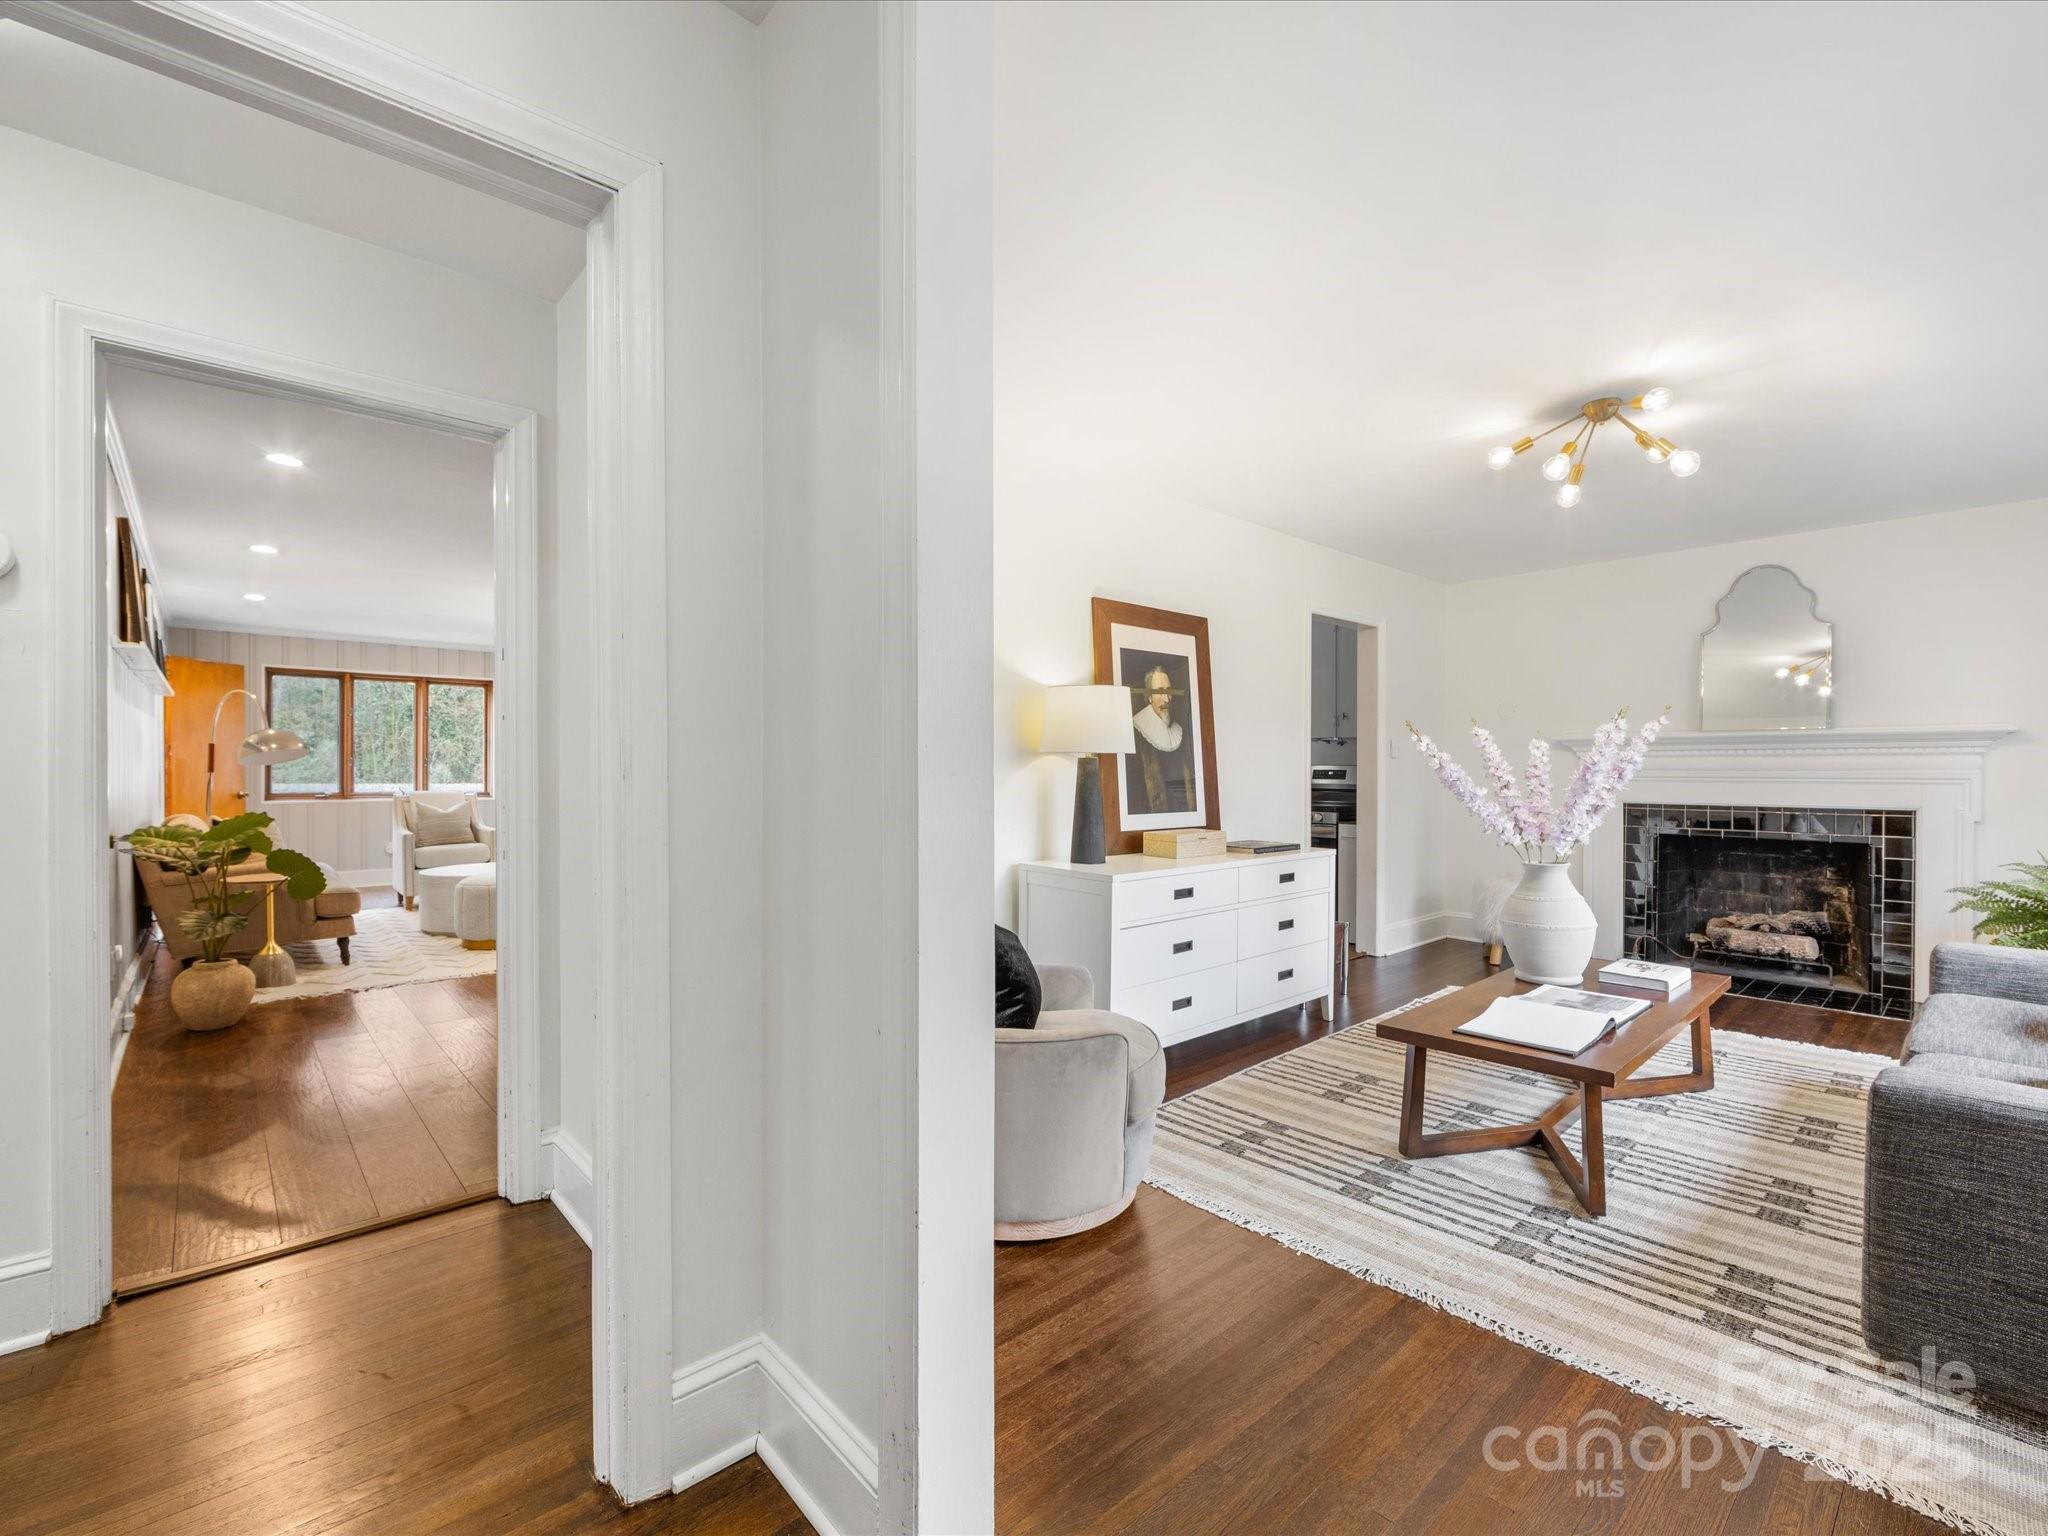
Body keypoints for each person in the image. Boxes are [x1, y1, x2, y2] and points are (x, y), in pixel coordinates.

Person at [1128, 664, 1196, 813]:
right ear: (1149, 697)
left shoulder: (1179, 728)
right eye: (1159, 692)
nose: (1166, 698)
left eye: (1169, 691)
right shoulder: (1136, 731)